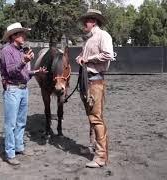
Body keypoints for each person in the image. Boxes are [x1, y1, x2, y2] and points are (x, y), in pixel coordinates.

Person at [0, 22, 47, 165]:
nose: (24, 36)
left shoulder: (21, 51)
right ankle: (10, 153)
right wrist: (23, 61)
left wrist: (36, 72)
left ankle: (19, 147)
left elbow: (24, 73)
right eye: (21, 33)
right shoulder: (6, 51)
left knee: (21, 122)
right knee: (11, 124)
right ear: (13, 36)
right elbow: (11, 71)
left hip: (23, 89)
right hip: (12, 90)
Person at [76, 9, 115, 168]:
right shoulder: (89, 39)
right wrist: (80, 58)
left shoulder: (103, 35)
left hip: (95, 82)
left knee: (96, 118)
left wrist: (88, 59)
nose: (83, 24)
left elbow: (108, 54)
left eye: (86, 21)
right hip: (87, 81)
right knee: (91, 116)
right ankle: (94, 148)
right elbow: (84, 57)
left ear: (93, 21)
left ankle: (100, 157)